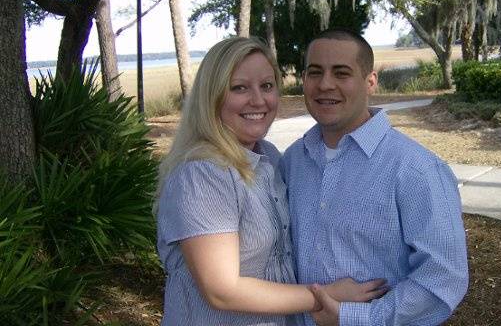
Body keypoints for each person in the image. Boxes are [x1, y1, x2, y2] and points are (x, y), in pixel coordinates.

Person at [155, 36, 386, 326]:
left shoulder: (270, 158)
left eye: (266, 86)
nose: (258, 100)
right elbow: (222, 291)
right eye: (239, 88)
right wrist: (325, 296)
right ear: (212, 96)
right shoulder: (202, 174)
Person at [280, 29, 469, 326]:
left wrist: (352, 317)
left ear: (370, 82)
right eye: (315, 72)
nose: (325, 84)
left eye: (342, 73)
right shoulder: (292, 161)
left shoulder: (415, 169)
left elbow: (443, 278)